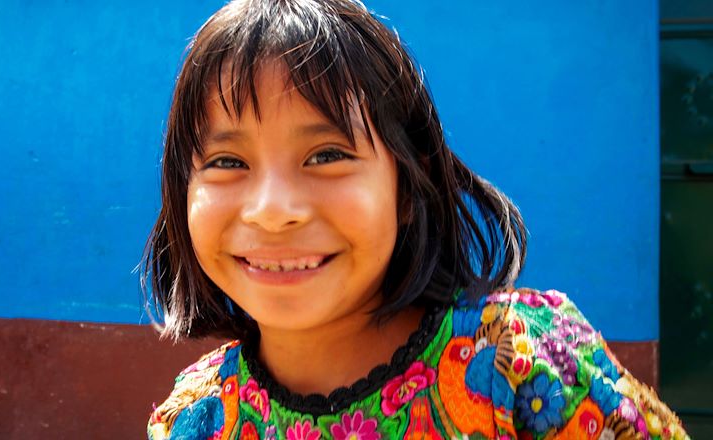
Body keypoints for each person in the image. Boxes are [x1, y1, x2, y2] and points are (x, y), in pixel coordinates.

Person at [142, 0, 688, 438]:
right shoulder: (194, 418)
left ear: (408, 185)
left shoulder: (519, 362)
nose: (272, 210)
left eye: (327, 155)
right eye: (227, 162)